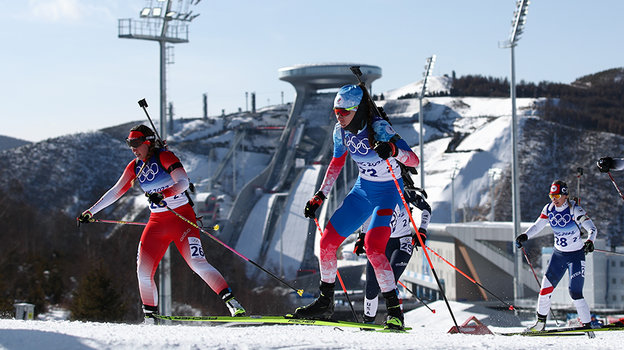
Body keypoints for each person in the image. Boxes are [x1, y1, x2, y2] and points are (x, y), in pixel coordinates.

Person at [77, 124, 245, 323]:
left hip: (182, 220)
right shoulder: (135, 166)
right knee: (143, 271)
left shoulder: (165, 157)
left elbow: (183, 182)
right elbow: (116, 191)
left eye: (136, 143)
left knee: (198, 264)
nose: (133, 148)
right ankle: (150, 318)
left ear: (148, 142)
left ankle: (233, 304)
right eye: (129, 144)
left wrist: (163, 193)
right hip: (157, 223)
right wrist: (90, 211)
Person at [292, 84, 419, 330]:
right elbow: (337, 162)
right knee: (327, 243)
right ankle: (324, 302)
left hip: (387, 193)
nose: (339, 117)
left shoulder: (379, 128)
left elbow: (413, 159)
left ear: (358, 110)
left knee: (373, 247)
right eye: (336, 111)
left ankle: (394, 311)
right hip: (362, 191)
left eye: (345, 112)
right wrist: (320, 195)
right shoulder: (340, 132)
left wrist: (393, 150)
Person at [515, 180, 597, 332]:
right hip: (558, 255)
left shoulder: (574, 210)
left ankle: (587, 325)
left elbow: (592, 229)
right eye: (552, 195)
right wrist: (525, 236)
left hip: (575, 256)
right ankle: (540, 324)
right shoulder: (549, 209)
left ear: (565, 195)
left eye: (557, 195)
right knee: (545, 290)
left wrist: (590, 241)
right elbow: (538, 225)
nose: (554, 199)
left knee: (575, 292)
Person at [353, 185, 431, 324]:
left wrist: (422, 231)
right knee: (371, 286)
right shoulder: (377, 192)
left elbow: (426, 209)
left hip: (401, 243)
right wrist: (362, 237)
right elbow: (367, 216)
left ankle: (396, 318)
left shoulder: (405, 193)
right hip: (379, 244)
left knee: (390, 281)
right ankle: (368, 321)